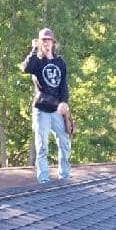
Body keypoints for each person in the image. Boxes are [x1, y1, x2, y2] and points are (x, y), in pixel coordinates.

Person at [21, 27, 72, 184]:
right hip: (42, 109)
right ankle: (44, 179)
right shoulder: (36, 61)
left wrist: (64, 103)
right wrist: (34, 50)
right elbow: (25, 68)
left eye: (49, 40)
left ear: (53, 43)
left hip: (57, 109)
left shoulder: (60, 62)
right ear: (39, 42)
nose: (46, 43)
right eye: (43, 40)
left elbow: (64, 85)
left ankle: (65, 176)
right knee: (42, 145)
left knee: (64, 143)